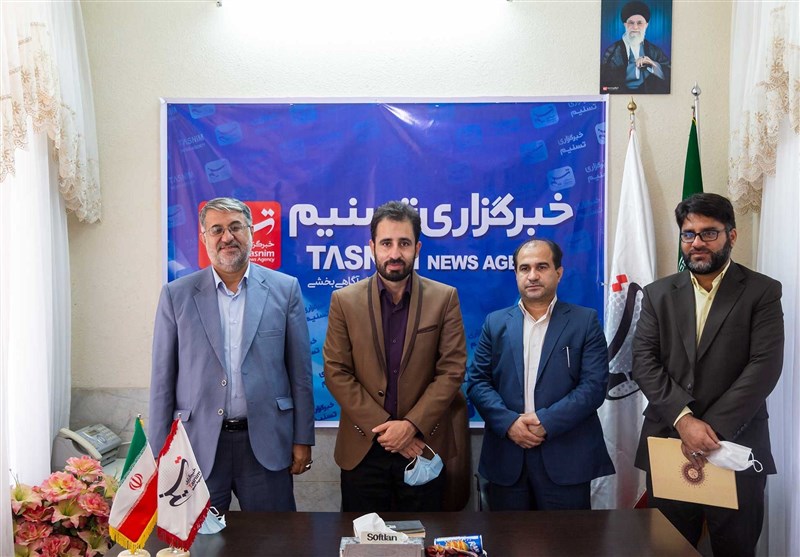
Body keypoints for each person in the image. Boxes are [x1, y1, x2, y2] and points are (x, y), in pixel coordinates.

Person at [633, 193, 784, 557]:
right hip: (670, 441)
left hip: (735, 444)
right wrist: (684, 421)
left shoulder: (762, 291)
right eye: (688, 234)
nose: (697, 242)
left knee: (735, 549)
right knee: (668, 549)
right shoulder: (657, 294)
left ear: (732, 236)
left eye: (708, 233)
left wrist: (708, 431)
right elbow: (643, 361)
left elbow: (764, 366)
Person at [149, 197, 315, 512]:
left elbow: (300, 373)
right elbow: (162, 379)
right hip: (197, 447)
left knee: (273, 537)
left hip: (266, 443)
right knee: (202, 537)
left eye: (236, 227)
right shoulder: (176, 295)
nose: (227, 237)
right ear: (204, 238)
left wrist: (303, 438)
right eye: (217, 230)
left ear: (251, 232)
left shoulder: (285, 289)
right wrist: (159, 450)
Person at [323, 200, 470, 512]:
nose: (394, 253)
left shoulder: (444, 298)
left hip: (422, 445)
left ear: (417, 248)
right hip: (363, 447)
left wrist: (410, 426)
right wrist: (387, 426)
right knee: (364, 536)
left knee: (425, 535)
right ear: (372, 247)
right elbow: (336, 372)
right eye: (386, 243)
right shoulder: (344, 301)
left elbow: (452, 370)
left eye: (404, 243)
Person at [466, 239, 614, 510]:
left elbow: (593, 387)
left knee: (565, 536)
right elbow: (477, 382)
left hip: (566, 457)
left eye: (541, 267)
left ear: (558, 272)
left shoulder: (585, 321)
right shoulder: (495, 323)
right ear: (516, 274)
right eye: (524, 268)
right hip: (507, 457)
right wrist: (510, 423)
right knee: (507, 536)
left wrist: (546, 421)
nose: (532, 275)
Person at [600, 1, 671, 94]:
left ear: (646, 25)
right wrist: (633, 67)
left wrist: (653, 65)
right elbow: (606, 79)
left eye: (639, 23)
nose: (635, 27)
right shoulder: (612, 51)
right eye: (631, 23)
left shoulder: (654, 50)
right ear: (625, 25)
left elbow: (669, 73)